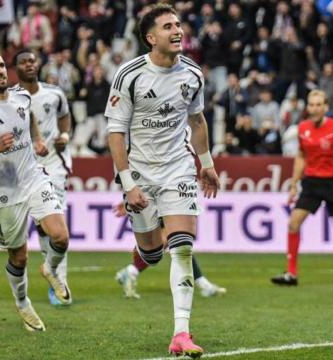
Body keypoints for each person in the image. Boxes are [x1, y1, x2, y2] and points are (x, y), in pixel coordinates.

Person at [105, 4, 219, 358]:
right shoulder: (130, 75)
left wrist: (207, 164)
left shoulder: (193, 74)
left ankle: (181, 332)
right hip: (139, 171)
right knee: (153, 254)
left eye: (178, 24)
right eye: (168, 26)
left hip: (178, 169)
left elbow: (197, 122)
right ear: (151, 38)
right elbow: (115, 132)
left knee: (183, 247)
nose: (177, 30)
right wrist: (127, 184)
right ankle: (141, 254)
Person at [0, 49, 71, 332]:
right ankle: (23, 302)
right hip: (5, 190)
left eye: (1, 65)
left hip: (33, 177)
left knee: (60, 236)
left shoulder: (21, 96)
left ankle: (49, 268)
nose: (0, 71)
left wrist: (36, 140)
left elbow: (31, 119)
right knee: (18, 257)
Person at [271, 89, 333, 288]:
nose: (314, 108)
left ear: (325, 107)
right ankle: (291, 274)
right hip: (312, 182)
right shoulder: (303, 128)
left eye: (318, 104)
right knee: (293, 223)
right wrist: (294, 185)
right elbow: (301, 157)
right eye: (311, 104)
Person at [13, 49, 73, 306]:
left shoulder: (55, 94)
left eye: (32, 60)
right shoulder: (11, 98)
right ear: (15, 68)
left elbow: (66, 119)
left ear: (37, 64)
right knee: (42, 226)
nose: (29, 64)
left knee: (57, 223)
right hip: (26, 169)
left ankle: (59, 281)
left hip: (54, 165)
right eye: (23, 62)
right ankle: (51, 271)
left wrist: (65, 137)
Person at [113, 202, 226, 299]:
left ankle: (131, 270)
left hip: (172, 197)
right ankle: (131, 270)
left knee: (177, 240)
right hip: (168, 198)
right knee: (175, 238)